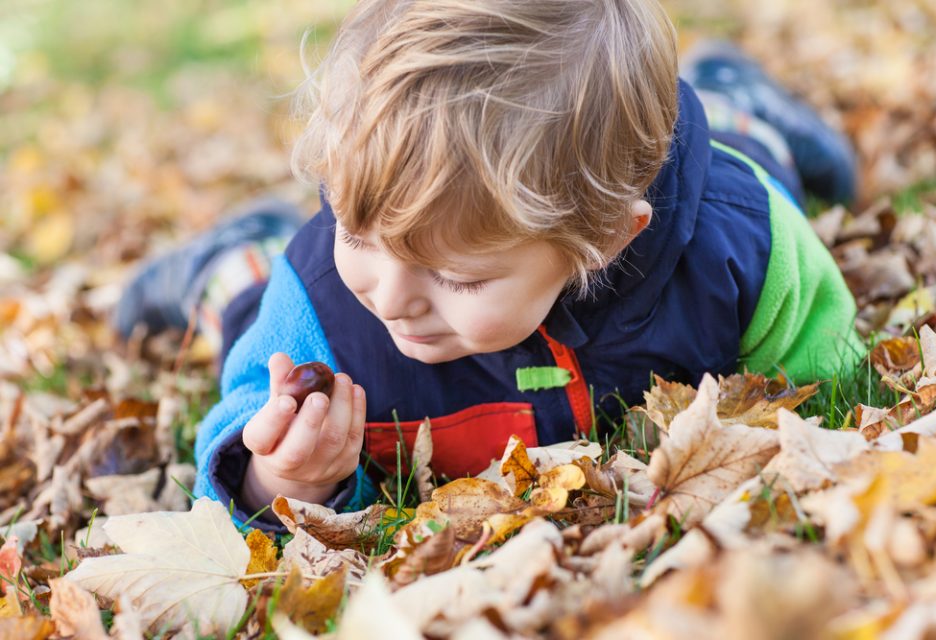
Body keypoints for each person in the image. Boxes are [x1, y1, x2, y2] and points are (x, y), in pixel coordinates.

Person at [113, 0, 863, 528]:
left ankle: (734, 97)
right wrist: (282, 476)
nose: (392, 297)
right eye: (356, 230)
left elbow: (821, 364)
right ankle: (227, 252)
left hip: (700, 185)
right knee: (249, 296)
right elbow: (241, 437)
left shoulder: (741, 241)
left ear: (605, 238)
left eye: (458, 276)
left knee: (746, 161)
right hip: (285, 286)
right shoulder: (324, 300)